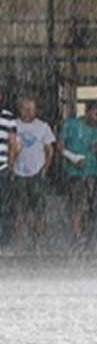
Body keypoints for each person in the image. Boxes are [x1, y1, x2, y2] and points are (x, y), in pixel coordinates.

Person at [59, 100, 97, 247]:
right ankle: (77, 237)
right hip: (75, 173)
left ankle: (87, 237)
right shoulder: (70, 124)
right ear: (87, 111)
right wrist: (73, 158)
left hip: (93, 173)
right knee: (78, 205)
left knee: (91, 207)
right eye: (96, 113)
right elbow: (59, 147)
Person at [12, 97, 55, 252]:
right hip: (18, 173)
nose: (29, 112)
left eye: (32, 108)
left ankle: (40, 245)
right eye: (25, 108)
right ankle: (20, 245)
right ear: (19, 109)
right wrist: (10, 168)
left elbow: (50, 150)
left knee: (39, 211)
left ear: (36, 110)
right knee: (20, 211)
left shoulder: (43, 126)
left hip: (37, 173)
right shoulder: (14, 125)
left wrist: (45, 169)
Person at [0, 83, 18, 247]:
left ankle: (3, 240)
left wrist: (11, 167)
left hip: (2, 168)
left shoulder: (8, 117)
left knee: (3, 206)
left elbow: (13, 145)